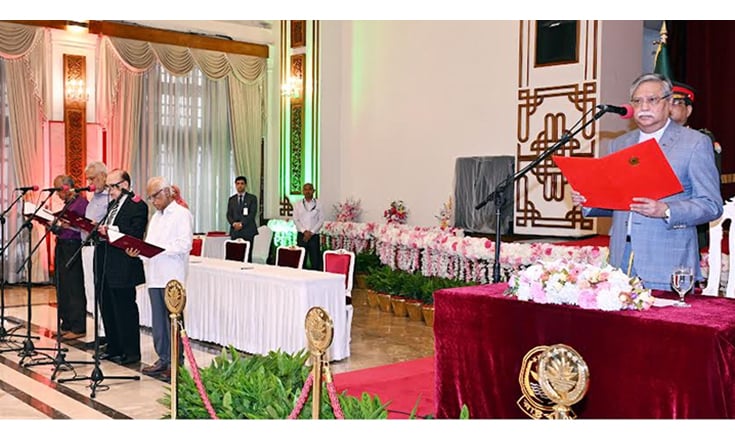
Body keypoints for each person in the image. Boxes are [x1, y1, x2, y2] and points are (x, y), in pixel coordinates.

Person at [571, 73, 722, 291]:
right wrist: (590, 199)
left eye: (652, 100)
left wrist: (666, 209)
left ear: (668, 103)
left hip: (667, 259)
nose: (643, 107)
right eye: (637, 101)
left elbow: (711, 205)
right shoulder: (620, 144)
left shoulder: (695, 143)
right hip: (621, 259)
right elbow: (620, 202)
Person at [128, 177, 192, 382]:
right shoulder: (156, 217)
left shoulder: (181, 214)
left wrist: (158, 250)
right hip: (154, 275)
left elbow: (184, 245)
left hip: (172, 276)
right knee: (158, 323)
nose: (153, 201)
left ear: (167, 192)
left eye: (155, 196)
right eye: (150, 198)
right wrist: (138, 251)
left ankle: (175, 363)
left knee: (172, 321)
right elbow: (149, 244)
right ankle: (163, 359)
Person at [95, 169, 148, 365]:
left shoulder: (137, 205)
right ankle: (114, 346)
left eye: (113, 186)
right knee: (107, 305)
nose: (110, 191)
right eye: (108, 187)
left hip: (124, 262)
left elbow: (136, 232)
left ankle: (130, 351)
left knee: (124, 308)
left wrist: (111, 230)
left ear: (125, 185)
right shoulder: (112, 205)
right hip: (106, 259)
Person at [669, 81, 724, 250]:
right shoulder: (646, 143)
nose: (669, 107)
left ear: (688, 110)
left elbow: (708, 188)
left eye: (676, 102)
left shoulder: (701, 141)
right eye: (665, 102)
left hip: (689, 224)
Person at [50, 175, 88, 340]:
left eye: (58, 189)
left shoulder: (81, 203)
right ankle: (66, 323)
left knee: (74, 287)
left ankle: (78, 327)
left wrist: (71, 225)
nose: (57, 194)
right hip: (62, 245)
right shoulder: (68, 204)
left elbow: (86, 227)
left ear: (67, 187)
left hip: (74, 246)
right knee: (62, 285)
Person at [83, 161, 110, 349]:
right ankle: (98, 331)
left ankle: (105, 333)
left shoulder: (109, 198)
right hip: (86, 246)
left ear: (103, 176)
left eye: (92, 178)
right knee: (90, 291)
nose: (90, 183)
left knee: (99, 291)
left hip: (99, 247)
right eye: (88, 179)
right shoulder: (93, 198)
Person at [292, 182, 325, 271]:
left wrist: (311, 232)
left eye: (310, 189)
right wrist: (304, 231)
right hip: (302, 236)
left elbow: (321, 220)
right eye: (305, 189)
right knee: (301, 260)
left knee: (315, 261)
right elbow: (295, 219)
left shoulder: (319, 204)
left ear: (313, 191)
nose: (307, 191)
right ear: (303, 191)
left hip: (314, 236)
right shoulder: (297, 204)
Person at [226, 175, 258, 262]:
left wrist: (241, 224)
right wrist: (234, 224)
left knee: (247, 255)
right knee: (235, 255)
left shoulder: (252, 198)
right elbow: (229, 215)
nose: (240, 186)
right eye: (238, 184)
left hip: (248, 231)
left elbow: (252, 214)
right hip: (235, 231)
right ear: (235, 185)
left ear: (245, 185)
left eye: (242, 184)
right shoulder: (231, 199)